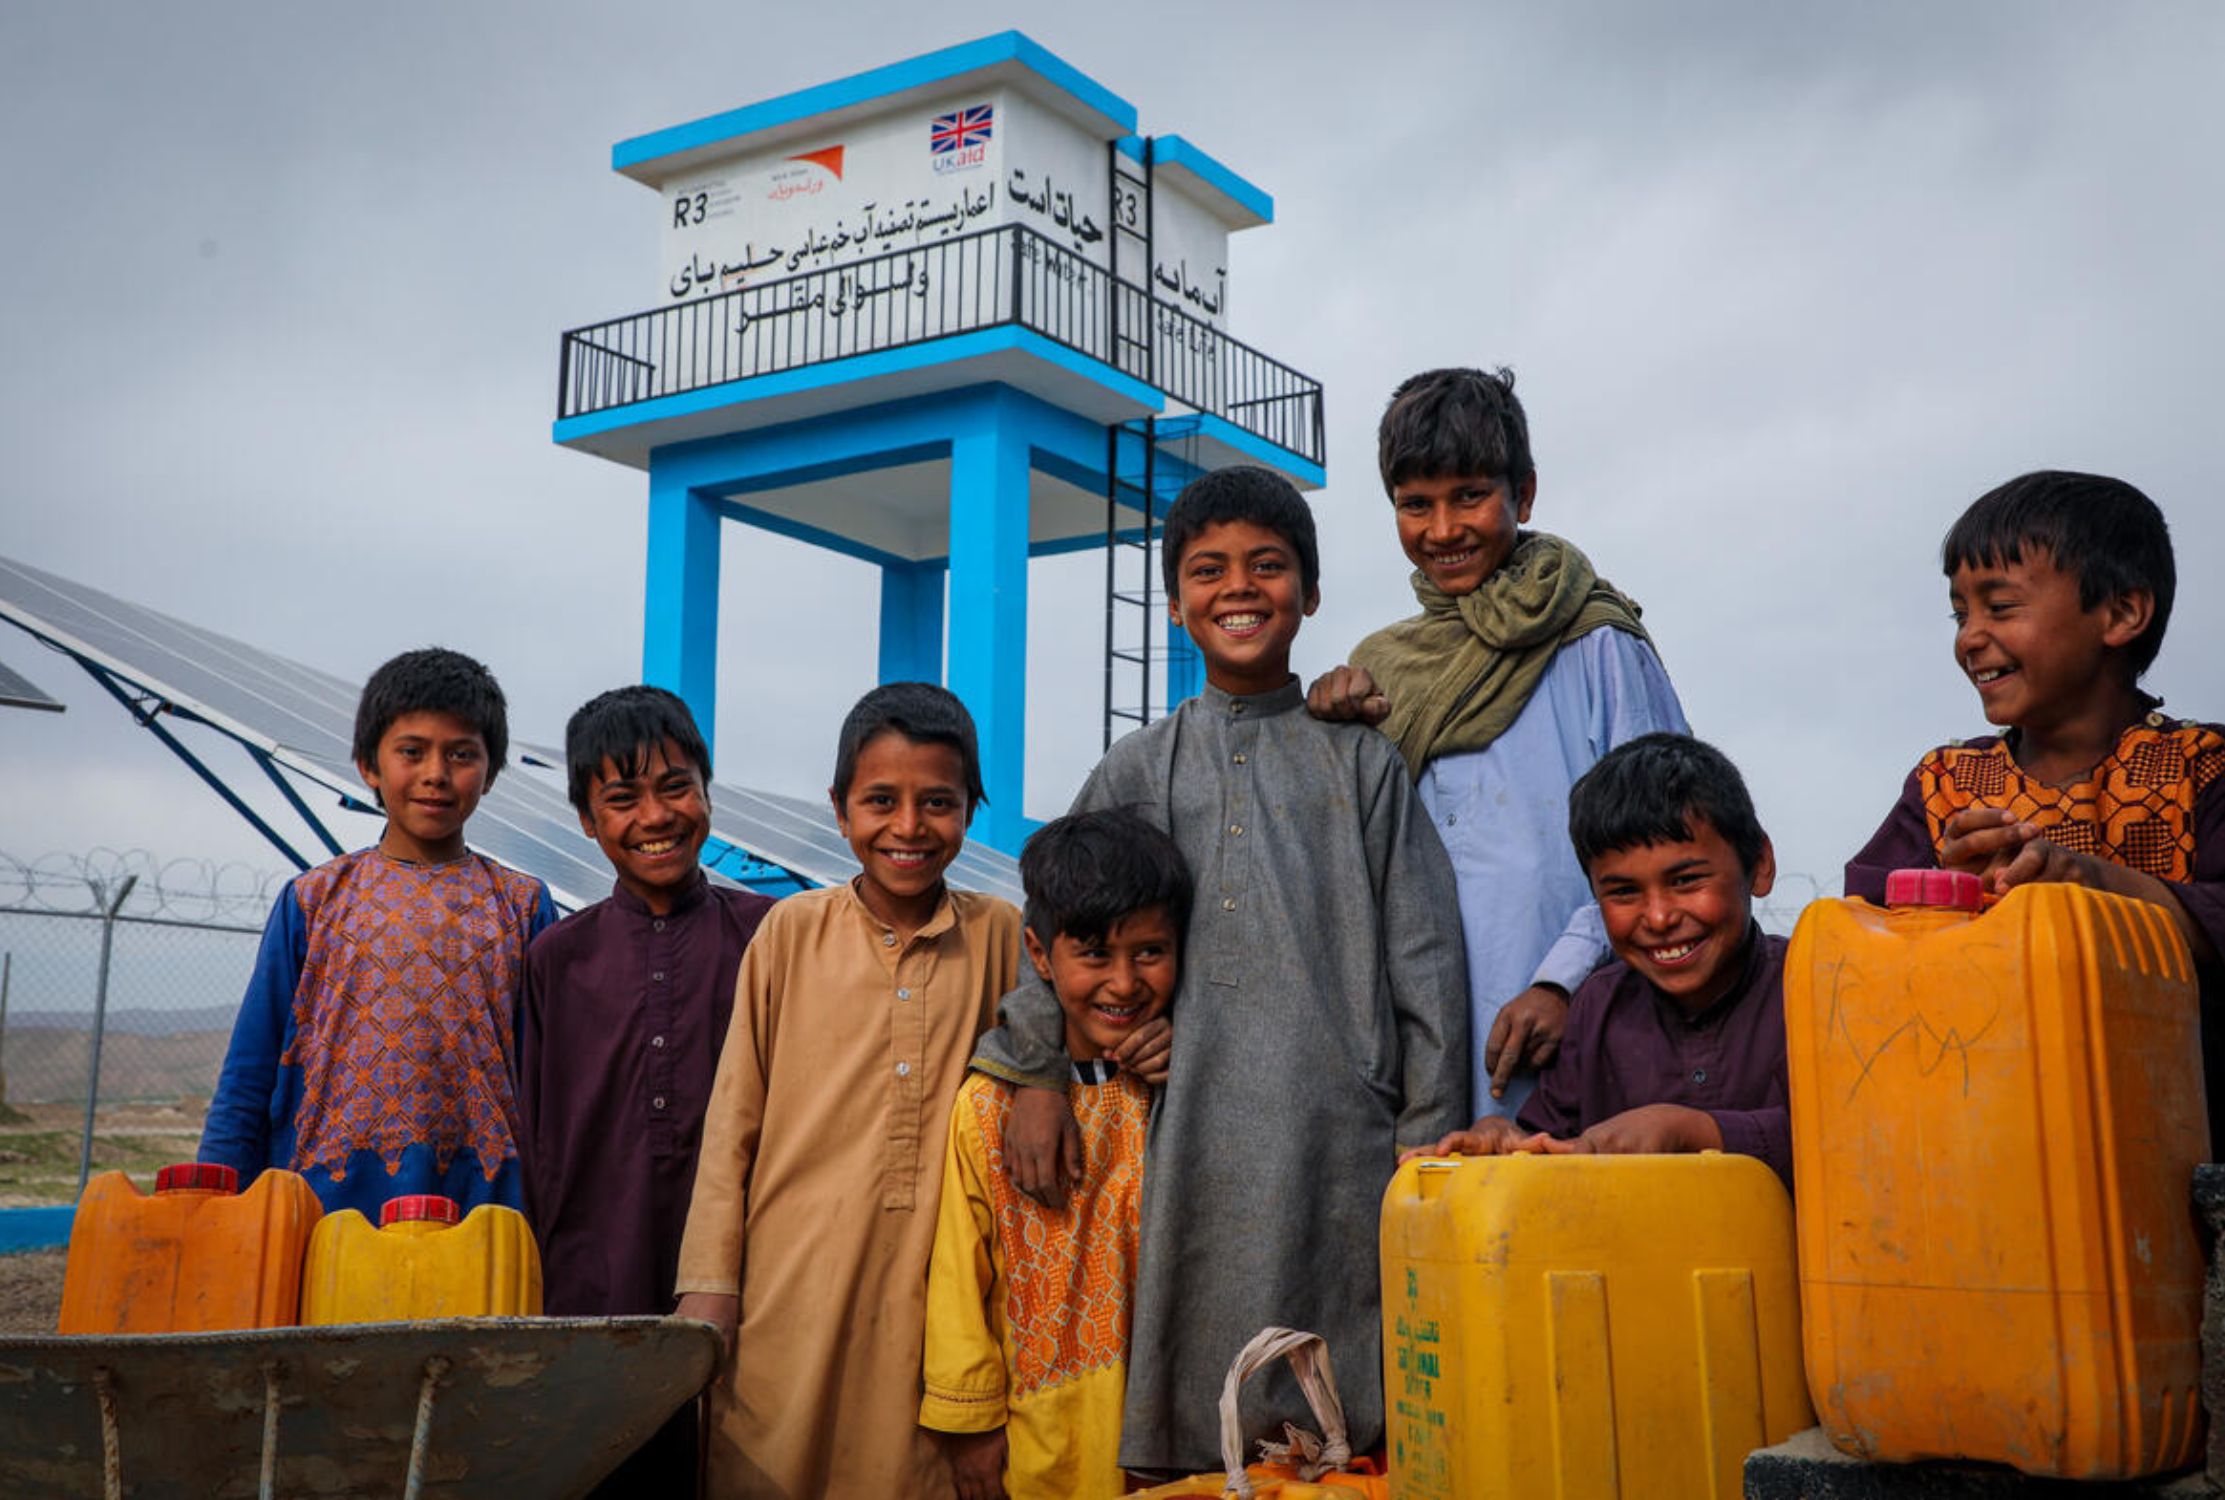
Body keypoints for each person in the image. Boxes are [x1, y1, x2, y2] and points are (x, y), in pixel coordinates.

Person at [975, 466, 1471, 1476]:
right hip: (1185, 1134)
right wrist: (1032, 1070)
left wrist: (1424, 1150)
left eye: (1266, 567)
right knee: (1191, 1431)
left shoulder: (1360, 762)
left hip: (1340, 1146)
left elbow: (1427, 969)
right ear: (1173, 602)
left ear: (1310, 592)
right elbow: (1056, 929)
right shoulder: (1135, 768)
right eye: (1208, 571)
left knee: (1341, 1429)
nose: (1237, 589)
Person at [1307, 367, 1688, 1119]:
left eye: (1469, 497)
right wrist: (1326, 735)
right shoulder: (1384, 668)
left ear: (1525, 494)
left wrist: (1561, 983)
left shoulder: (1596, 644)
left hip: (1578, 1025)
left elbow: (1663, 846)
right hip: (1419, 1045)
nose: (1442, 529)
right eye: (1415, 505)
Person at [673, 682, 1023, 1500]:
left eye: (937, 801)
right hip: (791, 1283)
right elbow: (733, 1122)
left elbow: (1049, 1072)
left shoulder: (1002, 935)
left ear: (971, 808)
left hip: (937, 1298)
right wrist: (709, 1285)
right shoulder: (790, 934)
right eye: (880, 801)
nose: (907, 827)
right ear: (838, 810)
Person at [1845, 470, 2223, 1143]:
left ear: (2119, 614)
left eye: (2000, 607)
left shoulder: (2202, 767)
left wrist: (2085, 885)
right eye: (1961, 613)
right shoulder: (1944, 786)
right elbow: (1859, 949)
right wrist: (1949, 899)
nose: (1969, 637)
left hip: (2183, 1138)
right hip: (1997, 1138)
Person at [516, 685, 775, 1498]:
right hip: (596, 1284)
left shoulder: (773, 937)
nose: (655, 817)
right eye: (622, 799)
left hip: (749, 1278)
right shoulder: (556, 959)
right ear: (588, 821)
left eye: (674, 787)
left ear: (706, 791)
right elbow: (537, 1131)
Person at [201, 647, 555, 1214]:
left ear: (489, 773)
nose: (436, 774)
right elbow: (250, 1071)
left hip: (484, 1210)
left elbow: (550, 1085)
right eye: (412, 752)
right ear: (369, 764)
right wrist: (214, 1205)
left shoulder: (521, 905)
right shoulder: (314, 900)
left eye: (462, 754)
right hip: (325, 1209)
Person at [920, 809, 1192, 1500]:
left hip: (1176, 1434)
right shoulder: (987, 1110)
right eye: (1095, 954)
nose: (1124, 983)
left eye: (1150, 952)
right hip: (1041, 1440)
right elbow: (959, 1278)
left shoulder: (1177, 1093)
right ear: (1040, 956)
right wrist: (972, 1429)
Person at [1414, 733, 1791, 1188]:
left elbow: (1853, 1139)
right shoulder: (1596, 1006)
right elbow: (1551, 1146)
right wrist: (1506, 1145)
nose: (1658, 917)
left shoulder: (1812, 988)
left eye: (1687, 880)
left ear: (1760, 864)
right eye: (1624, 892)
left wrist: (1698, 1132)